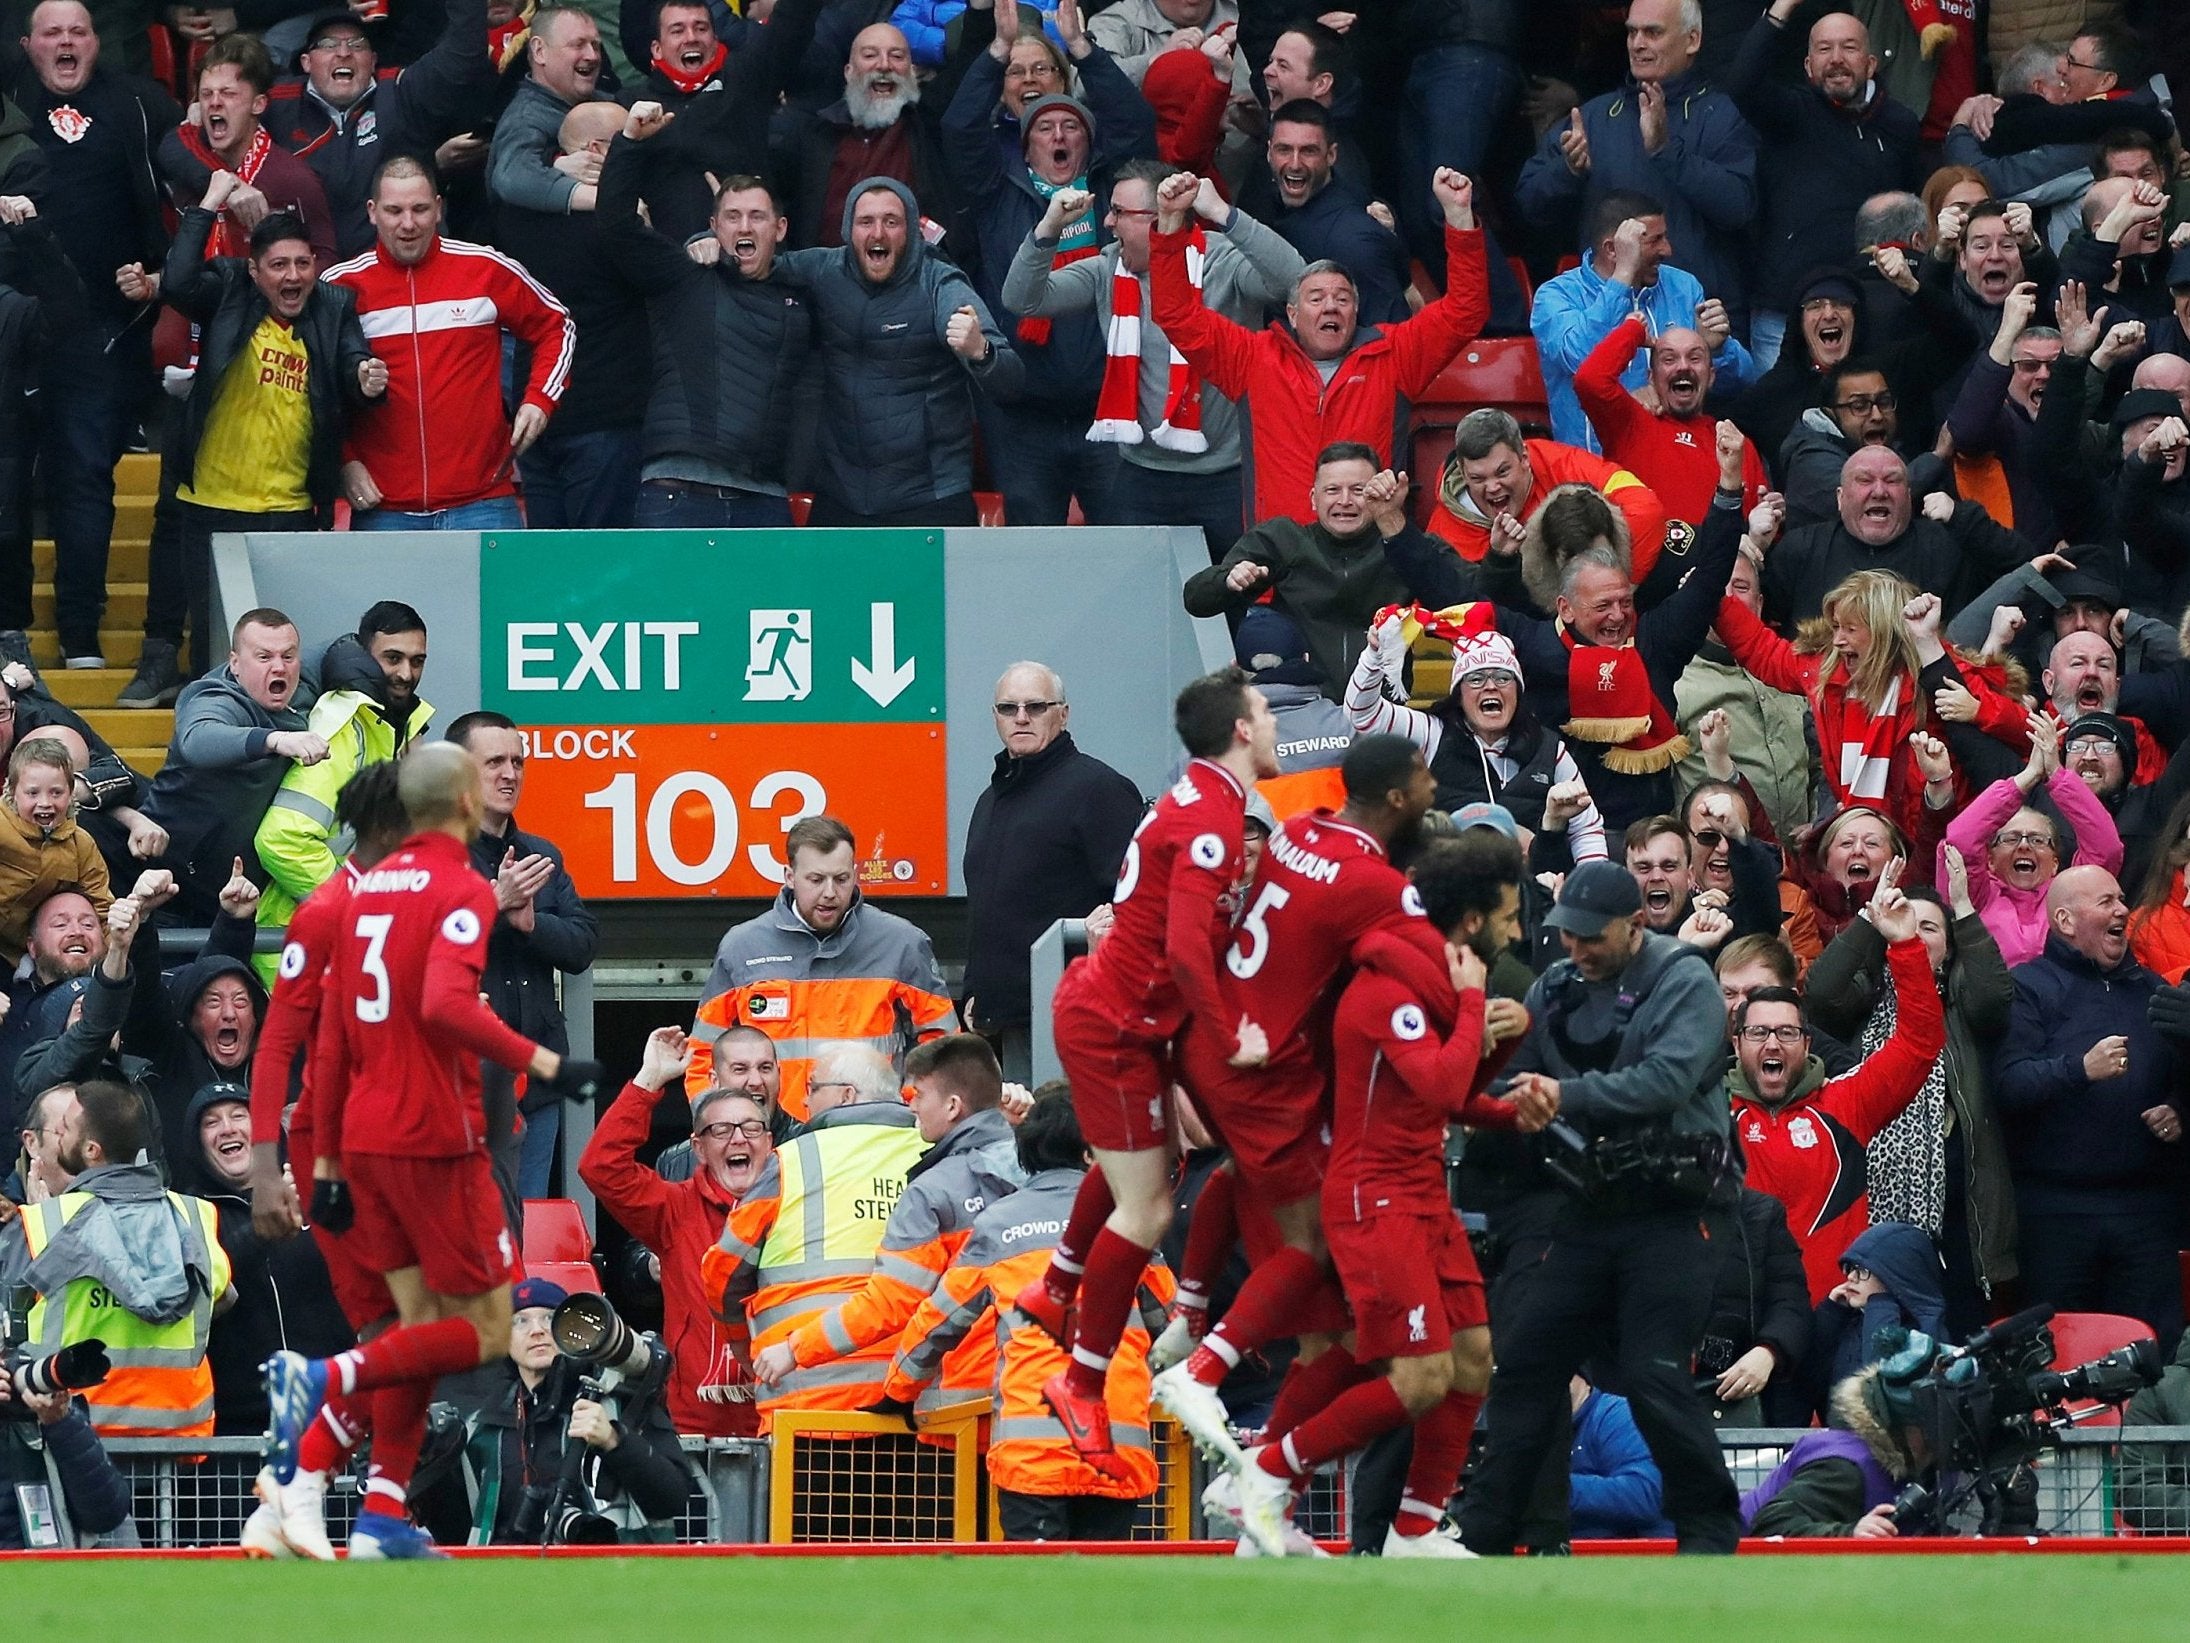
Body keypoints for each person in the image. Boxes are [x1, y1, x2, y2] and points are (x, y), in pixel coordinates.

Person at [261, 741, 606, 1561]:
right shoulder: (386, 900)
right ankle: (314, 1413)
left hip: (367, 1138)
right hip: (422, 1143)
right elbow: (305, 1035)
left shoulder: (362, 904)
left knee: (408, 1330)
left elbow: (338, 1038)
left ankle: (371, 1509)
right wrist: (546, 1062)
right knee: (477, 1328)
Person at [1224, 830, 1543, 1559]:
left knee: (1470, 1356)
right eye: (1507, 914)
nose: (1518, 929)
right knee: (1419, 1376)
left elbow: (1442, 1098)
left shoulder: (1429, 981)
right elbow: (1436, 1080)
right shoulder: (1391, 987)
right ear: (1470, 920)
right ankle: (1267, 1473)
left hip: (1422, 1191)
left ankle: (1415, 1528)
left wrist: (1508, 1082)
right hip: (1376, 1199)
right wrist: (1472, 1010)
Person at [1150, 736, 1449, 1491]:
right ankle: (1204, 1366)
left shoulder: (1298, 828)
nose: (1433, 792)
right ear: (1396, 801)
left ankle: (1258, 1481)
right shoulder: (1374, 883)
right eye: (1425, 784)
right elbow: (1437, 980)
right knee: (1313, 1241)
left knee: (1327, 1330)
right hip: (1260, 1068)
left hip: (1217, 1039)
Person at [1012, 666, 1276, 1477]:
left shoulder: (1207, 807)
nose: (1273, 724)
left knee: (1174, 1167)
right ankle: (1082, 1379)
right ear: (1238, 729)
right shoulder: (1209, 821)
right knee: (1150, 1205)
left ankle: (1058, 1287)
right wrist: (1234, 1036)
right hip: (1118, 1020)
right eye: (1264, 712)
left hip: (1139, 1013)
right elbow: (1190, 948)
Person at [1458, 858, 1742, 1554]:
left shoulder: (1683, 979)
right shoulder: (1556, 985)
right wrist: (1481, 1043)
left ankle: (1709, 1529)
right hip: (1589, 1206)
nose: (1576, 948)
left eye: (1591, 936)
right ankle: (1485, 1532)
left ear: (1636, 924)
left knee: (1655, 1371)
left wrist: (1562, 1096)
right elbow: (1509, 1077)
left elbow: (1668, 1078)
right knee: (1527, 1361)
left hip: (1675, 1208)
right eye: (1567, 934)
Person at [1386, 432, 1749, 834]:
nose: (1617, 617)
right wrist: (1394, 527)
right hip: (1557, 836)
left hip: (1646, 842)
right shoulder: (1531, 646)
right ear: (1566, 608)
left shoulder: (1655, 642)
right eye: (1601, 607)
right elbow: (1452, 593)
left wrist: (1729, 487)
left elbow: (1709, 576)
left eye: (1624, 603)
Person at [237, 761, 410, 1561]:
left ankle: (309, 1491)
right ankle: (352, 1504)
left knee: (417, 1330)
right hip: (340, 1147)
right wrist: (268, 1168)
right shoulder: (327, 911)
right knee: (411, 1327)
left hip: (406, 1144)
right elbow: (279, 1042)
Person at [884, 1087, 1171, 1540]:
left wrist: (898, 1391)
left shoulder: (999, 1223)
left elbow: (937, 1323)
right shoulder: (1128, 1222)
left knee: (1037, 1599)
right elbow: (1171, 1323)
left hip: (1031, 1454)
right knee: (1105, 1597)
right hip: (1114, 1446)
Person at [136, 187, 381, 705]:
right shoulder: (227, 286)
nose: (292, 277)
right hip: (211, 505)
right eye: (277, 265)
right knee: (217, 649)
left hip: (290, 510)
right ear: (254, 271)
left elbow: (351, 364)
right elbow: (177, 282)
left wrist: (364, 377)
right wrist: (207, 205)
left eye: (301, 263)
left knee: (281, 656)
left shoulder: (334, 305)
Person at [1149, 164, 1487, 531]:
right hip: (1281, 561)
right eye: (1316, 298)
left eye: (1342, 298)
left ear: (1356, 311)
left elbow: (1466, 312)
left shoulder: (1395, 355)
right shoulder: (1251, 358)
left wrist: (1458, 217)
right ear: (1292, 314)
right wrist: (1169, 223)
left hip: (1373, 558)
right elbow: (1176, 315)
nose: (1330, 306)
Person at [1000, 160, 1302, 560]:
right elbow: (1022, 299)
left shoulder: (1220, 261)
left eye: (1120, 213)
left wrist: (1225, 215)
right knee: (1138, 604)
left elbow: (1295, 281)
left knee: (1236, 604)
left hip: (1226, 477)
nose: (1107, 221)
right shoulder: (1110, 267)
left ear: (1160, 217)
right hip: (1141, 475)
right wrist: (1049, 227)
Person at [5, 2, 180, 673]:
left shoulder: (138, 103)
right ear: (28, 45)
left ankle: (81, 630)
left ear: (97, 42)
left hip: (101, 331)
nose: (68, 42)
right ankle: (8, 629)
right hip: (11, 327)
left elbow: (188, 163)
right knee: (10, 482)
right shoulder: (8, 106)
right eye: (54, 33)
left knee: (84, 480)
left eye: (79, 31)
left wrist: (162, 273)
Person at [940, 1, 1157, 527]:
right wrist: (996, 52)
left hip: (1107, 412)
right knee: (1031, 563)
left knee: (1121, 552)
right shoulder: (997, 191)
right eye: (1044, 130)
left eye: (1071, 127)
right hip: (1021, 419)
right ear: (1025, 144)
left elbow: (1135, 123)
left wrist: (1082, 49)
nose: (1058, 138)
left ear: (1089, 142)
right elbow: (959, 127)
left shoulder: (1110, 188)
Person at [749, 1033, 1023, 1403]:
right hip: (1033, 1397)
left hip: (962, 1404)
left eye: (919, 1096)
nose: (911, 1108)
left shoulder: (935, 1186)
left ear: (953, 1106)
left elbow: (895, 1300)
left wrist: (797, 1349)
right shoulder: (1035, 1172)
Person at [1806, 859, 2018, 1336]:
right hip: (1864, 1190)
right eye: (1905, 923)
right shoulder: (1861, 1004)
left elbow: (1994, 998)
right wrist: (1871, 920)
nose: (1915, 934)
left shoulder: (1963, 1004)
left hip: (1958, 1197)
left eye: (1929, 927)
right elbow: (1819, 994)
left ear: (1949, 946)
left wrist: (1962, 907)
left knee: (1953, 1335)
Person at [1722, 880, 1944, 1300]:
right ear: (1736, 1043)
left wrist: (1906, 947)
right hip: (1735, 1321)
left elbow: (1919, 1045)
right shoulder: (1706, 1111)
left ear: (1807, 1043)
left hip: (1829, 1318)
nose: (1772, 1044)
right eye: (1758, 1033)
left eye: (1786, 1032)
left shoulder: (1846, 1102)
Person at [326, 155, 575, 530]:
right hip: (383, 508)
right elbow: (314, 388)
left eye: (420, 209)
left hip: (483, 502)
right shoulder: (339, 287)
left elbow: (557, 325)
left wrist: (539, 400)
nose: (408, 224)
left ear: (439, 209)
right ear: (372, 212)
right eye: (394, 211)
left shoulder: (485, 268)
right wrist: (345, 461)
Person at [597, 107, 815, 529]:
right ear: (715, 226)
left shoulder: (804, 296)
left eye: (757, 216)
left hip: (765, 496)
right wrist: (630, 144)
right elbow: (615, 225)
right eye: (732, 217)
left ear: (781, 228)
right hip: (678, 493)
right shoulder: (683, 276)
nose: (744, 226)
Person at [1997, 866, 2185, 1349]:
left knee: (2152, 1353)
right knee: (2060, 1356)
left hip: (2145, 1211)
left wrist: (2178, 1107)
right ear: (2064, 919)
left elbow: (2180, 1073)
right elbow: (2009, 1084)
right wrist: (2079, 1068)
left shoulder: (2150, 990)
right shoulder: (2027, 988)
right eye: (2106, 902)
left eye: (2121, 899)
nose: (2122, 910)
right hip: (2056, 1214)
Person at [698, 1045, 928, 1429]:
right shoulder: (940, 1155)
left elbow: (724, 1273)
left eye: (812, 1087)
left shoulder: (791, 1161)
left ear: (846, 1095)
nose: (803, 1100)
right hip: (926, 1410)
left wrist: (743, 1347)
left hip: (810, 1407)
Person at [774, 177, 1022, 526]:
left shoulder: (940, 281)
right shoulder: (822, 270)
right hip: (840, 496)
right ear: (848, 231)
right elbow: (757, 265)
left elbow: (1011, 380)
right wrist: (707, 243)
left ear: (910, 231)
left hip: (930, 498)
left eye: (891, 222)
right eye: (866, 222)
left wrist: (980, 351)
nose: (878, 234)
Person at [0, 1080, 232, 1437]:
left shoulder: (43, 1223)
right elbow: (220, 1298)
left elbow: (8, 1323)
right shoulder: (196, 1217)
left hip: (70, 1439)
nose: (59, 1133)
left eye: (67, 1127)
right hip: (175, 1443)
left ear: (92, 1150)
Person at [684, 814, 956, 1119]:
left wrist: (907, 1113)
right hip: (773, 1138)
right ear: (789, 876)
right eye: (816, 879)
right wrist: (721, 1124)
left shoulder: (901, 943)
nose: (830, 892)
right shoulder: (742, 948)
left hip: (872, 1135)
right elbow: (702, 1056)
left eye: (841, 879)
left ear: (855, 874)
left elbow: (943, 1047)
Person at [1514, 0, 1757, 332]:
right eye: (1632, 33)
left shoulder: (1723, 114)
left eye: (1653, 33)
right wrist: (1566, 171)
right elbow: (1527, 203)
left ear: (1693, 40)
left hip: (1696, 325)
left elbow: (1739, 208)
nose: (1638, 44)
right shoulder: (1595, 117)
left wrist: (1666, 152)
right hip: (1610, 323)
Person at [579, 1026, 773, 1438]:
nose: (738, 1137)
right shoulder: (676, 1209)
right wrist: (649, 1081)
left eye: (751, 1129)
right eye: (721, 1130)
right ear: (698, 1149)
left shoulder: (803, 1200)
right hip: (695, 1430)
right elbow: (601, 1167)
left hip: (788, 1421)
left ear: (769, 1143)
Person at [960, 662, 1143, 1079]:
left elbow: (1136, 900)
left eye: (1035, 707)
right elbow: (985, 907)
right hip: (1000, 1027)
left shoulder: (1099, 789)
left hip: (1070, 1023)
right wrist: (976, 990)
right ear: (995, 717)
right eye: (1008, 708)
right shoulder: (990, 799)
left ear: (1063, 713)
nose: (1020, 717)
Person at [411, 1275, 691, 1546]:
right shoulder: (482, 1426)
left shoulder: (618, 1402)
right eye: (520, 1321)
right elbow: (457, 1534)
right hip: (505, 1581)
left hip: (609, 1575)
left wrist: (615, 1440)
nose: (537, 1330)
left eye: (549, 1318)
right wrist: (427, 1470)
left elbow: (673, 1498)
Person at [446, 710, 597, 1200]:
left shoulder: (541, 854)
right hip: (457, 1085)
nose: (509, 774)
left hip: (535, 1082)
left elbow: (582, 946)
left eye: (517, 761)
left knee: (525, 1230)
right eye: (493, 762)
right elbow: (417, 945)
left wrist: (531, 924)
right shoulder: (429, 856)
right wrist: (493, 904)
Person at [1727, 2, 1921, 373]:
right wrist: (1780, 10)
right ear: (1807, 66)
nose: (1836, 59)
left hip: (1870, 310)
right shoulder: (1789, 113)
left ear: (1870, 63)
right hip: (1783, 311)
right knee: (1784, 425)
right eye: (1823, 49)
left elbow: (1911, 210)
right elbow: (1741, 85)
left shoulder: (1900, 124)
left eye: (1848, 47)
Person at [491, 102, 647, 530]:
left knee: (550, 571)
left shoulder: (515, 214)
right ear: (597, 150)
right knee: (599, 571)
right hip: (606, 421)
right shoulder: (620, 226)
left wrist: (553, 165)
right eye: (628, 143)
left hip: (538, 416)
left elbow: (515, 175)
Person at [253, 603, 434, 968]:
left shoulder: (390, 726)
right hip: (303, 944)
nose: (405, 673)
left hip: (337, 944)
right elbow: (281, 840)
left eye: (417, 661)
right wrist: (362, 905)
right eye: (393, 658)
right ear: (365, 657)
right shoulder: (345, 726)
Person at [1347, 623, 1610, 867]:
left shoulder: (1550, 749)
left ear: (1517, 691)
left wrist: (1587, 889)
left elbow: (1587, 828)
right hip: (1450, 886)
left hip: (1527, 889)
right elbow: (1361, 714)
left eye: (1503, 677)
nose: (1490, 687)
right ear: (1459, 694)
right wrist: (1374, 653)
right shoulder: (1432, 733)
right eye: (1476, 679)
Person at [265, 2, 500, 257]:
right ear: (306, 62)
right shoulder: (275, 104)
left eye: (358, 44)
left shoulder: (399, 92)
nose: (344, 52)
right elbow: (221, 113)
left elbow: (463, 51)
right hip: (310, 278)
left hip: (401, 271)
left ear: (373, 60)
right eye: (328, 44)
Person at [1530, 190, 1755, 455]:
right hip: (1593, 474)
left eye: (1665, 237)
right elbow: (1583, 359)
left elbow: (1742, 382)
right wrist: (1623, 277)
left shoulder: (1682, 286)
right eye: (1655, 240)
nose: (1668, 250)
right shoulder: (1556, 296)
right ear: (1613, 249)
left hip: (1673, 462)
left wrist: (1718, 350)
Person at [1181, 444, 1411, 700]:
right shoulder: (1285, 538)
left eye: (1358, 490)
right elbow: (1196, 599)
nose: (1345, 501)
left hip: (1383, 711)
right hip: (1302, 708)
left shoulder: (1402, 547)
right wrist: (1228, 580)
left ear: (1377, 497)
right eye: (1332, 490)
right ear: (1314, 499)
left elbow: (1454, 590)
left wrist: (1397, 529)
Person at [186, 1080, 351, 1436]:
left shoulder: (318, 1193)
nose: (227, 1128)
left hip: (333, 1414)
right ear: (196, 1143)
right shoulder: (189, 1214)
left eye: (239, 1116)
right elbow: (200, 1285)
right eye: (211, 1122)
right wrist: (262, 1231)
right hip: (238, 1431)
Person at [139, 608, 319, 924]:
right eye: (264, 657)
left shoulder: (302, 689)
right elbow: (198, 740)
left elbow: (341, 650)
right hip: (173, 883)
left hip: (242, 895)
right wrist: (274, 740)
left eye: (288, 656)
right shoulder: (215, 698)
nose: (279, 667)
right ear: (235, 663)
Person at [611, 0, 824, 244]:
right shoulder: (631, 104)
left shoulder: (745, 80)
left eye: (701, 28)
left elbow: (792, 23)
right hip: (666, 262)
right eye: (677, 30)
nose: (691, 37)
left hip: (747, 256)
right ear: (657, 49)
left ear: (715, 39)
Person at [1941, 712, 2123, 967]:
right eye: (2011, 838)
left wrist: (2057, 774)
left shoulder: (2071, 895)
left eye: (2038, 840)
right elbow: (1960, 841)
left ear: (2056, 863)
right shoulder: (1975, 895)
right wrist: (2026, 779)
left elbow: (2107, 850)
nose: (2024, 845)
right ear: (1989, 860)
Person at [1418, 408, 1667, 579]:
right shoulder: (1444, 531)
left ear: (1524, 457)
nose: (1492, 487)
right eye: (1478, 478)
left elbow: (1646, 508)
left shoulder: (1563, 465)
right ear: (1462, 471)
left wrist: (1609, 581)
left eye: (1503, 472)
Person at [1576, 317, 1770, 526]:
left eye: (1695, 358)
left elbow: (1758, 529)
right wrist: (1634, 332)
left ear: (1711, 376)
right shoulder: (1630, 424)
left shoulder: (1735, 444)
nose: (1683, 366)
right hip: (1648, 555)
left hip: (1721, 557)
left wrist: (1772, 512)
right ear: (1651, 377)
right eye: (1669, 359)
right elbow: (1590, 380)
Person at [778, 23, 954, 252]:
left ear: (912, 72)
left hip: (910, 280)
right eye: (870, 55)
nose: (884, 65)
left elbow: (967, 67)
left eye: (896, 56)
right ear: (848, 72)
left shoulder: (927, 129)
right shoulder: (813, 135)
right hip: (822, 279)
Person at [1250, 99, 1408, 328]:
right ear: (1269, 152)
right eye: (1284, 149)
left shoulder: (1353, 240)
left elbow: (1391, 341)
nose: (1295, 163)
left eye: (1308, 151)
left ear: (1332, 155)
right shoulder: (1268, 202)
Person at [485, 5, 612, 214]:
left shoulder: (609, 102)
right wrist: (605, 200)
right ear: (539, 51)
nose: (593, 56)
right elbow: (511, 176)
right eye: (578, 45)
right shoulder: (525, 118)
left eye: (596, 46)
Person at [0, 735, 111, 970]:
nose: (45, 803)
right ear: (12, 791)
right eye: (33, 793)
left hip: (34, 953)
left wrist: (110, 963)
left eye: (56, 793)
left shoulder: (80, 844)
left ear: (71, 793)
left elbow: (101, 906)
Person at [1568, 1375, 1675, 1539]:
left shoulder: (1616, 1414)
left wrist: (1552, 1491)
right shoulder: (1529, 1428)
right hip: (1561, 1554)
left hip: (1637, 1555)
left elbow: (1644, 1493)